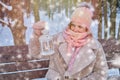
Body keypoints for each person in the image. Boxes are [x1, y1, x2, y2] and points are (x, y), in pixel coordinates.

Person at [29, 2, 108, 80]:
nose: (75, 29)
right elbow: (36, 52)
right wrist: (37, 35)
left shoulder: (95, 46)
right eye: (73, 25)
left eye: (80, 26)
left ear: (87, 28)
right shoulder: (58, 39)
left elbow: (102, 72)